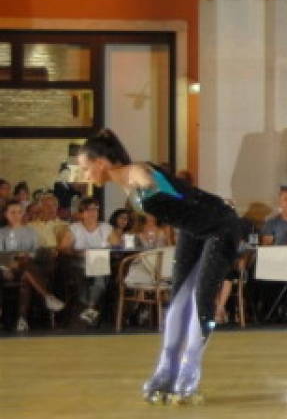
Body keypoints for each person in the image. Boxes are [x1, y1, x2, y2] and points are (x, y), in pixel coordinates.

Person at [77, 129, 244, 404]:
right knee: (178, 301)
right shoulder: (124, 183)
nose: (85, 176)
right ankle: (164, 376)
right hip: (192, 230)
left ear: (101, 163)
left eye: (85, 168)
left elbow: (176, 196)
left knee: (200, 299)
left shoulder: (138, 173)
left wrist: (157, 189)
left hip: (221, 227)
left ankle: (187, 381)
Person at [0, 200, 66, 332]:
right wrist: (5, 267)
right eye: (12, 212)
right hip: (6, 269)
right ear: (5, 214)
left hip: (26, 268)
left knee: (25, 273)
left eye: (19, 212)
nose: (16, 215)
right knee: (22, 263)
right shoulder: (2, 232)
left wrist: (26, 256)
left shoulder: (31, 231)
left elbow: (35, 252)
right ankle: (47, 296)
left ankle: (22, 320)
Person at [60, 197, 114, 326]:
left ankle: (89, 308)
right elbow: (63, 248)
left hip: (100, 260)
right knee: (86, 273)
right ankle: (91, 308)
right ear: (81, 213)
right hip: (79, 262)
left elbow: (117, 246)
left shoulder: (106, 228)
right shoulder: (75, 228)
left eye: (95, 209)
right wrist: (78, 252)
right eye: (89, 210)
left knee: (99, 266)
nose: (92, 213)